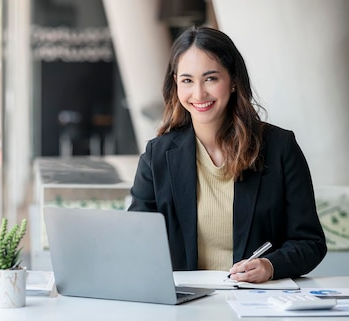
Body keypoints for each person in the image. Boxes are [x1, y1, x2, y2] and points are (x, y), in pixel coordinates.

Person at [128, 25, 327, 283]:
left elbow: (310, 242)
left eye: (211, 78)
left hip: (257, 301)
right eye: (187, 80)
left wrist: (270, 265)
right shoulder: (157, 155)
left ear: (233, 81)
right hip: (186, 303)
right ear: (175, 83)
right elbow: (135, 240)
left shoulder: (280, 147)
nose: (199, 94)